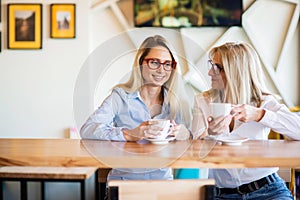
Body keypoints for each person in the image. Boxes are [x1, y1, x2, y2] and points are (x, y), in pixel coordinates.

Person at [192, 41, 300, 199]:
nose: (210, 72)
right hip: (222, 194)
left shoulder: (263, 102)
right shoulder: (203, 101)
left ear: (236, 71)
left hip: (268, 189)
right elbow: (195, 150)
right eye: (211, 65)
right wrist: (210, 134)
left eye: (218, 67)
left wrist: (260, 115)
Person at [80, 35, 191, 182]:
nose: (161, 70)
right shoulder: (120, 96)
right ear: (140, 63)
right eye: (154, 62)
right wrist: (129, 135)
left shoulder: (175, 102)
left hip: (163, 184)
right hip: (124, 182)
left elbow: (192, 138)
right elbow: (88, 129)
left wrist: (183, 133)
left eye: (167, 64)